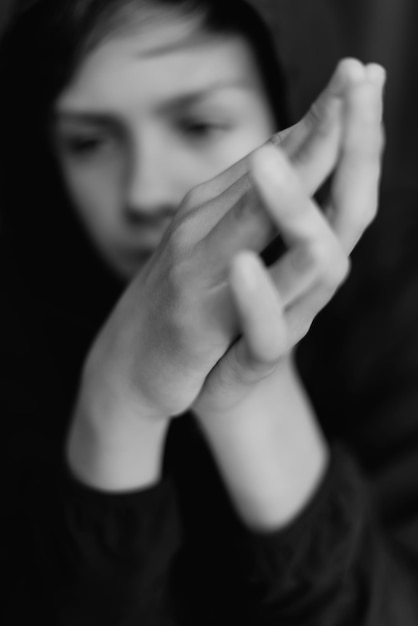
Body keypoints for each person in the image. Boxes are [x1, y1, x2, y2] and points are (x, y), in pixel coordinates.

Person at [1, 0, 417, 624]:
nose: (143, 192)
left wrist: (246, 390)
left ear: (289, 109)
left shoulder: (398, 290)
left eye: (199, 125)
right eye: (88, 141)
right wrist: (118, 401)